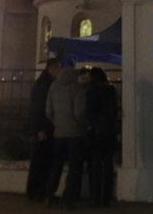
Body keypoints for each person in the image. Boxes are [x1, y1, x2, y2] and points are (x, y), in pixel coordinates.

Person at [45, 63, 89, 207]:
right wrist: (82, 125)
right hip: (75, 134)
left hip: (59, 133)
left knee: (56, 165)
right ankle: (68, 198)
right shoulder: (77, 89)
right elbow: (79, 113)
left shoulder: (53, 87)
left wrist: (57, 123)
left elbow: (48, 111)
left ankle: (49, 195)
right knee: (74, 167)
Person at [27, 58, 62, 202]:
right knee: (42, 161)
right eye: (58, 68)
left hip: (44, 127)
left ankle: (36, 191)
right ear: (51, 68)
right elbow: (39, 108)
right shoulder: (45, 85)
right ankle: (37, 191)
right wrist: (40, 129)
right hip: (44, 128)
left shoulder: (43, 83)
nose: (59, 71)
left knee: (41, 160)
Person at [84, 67, 117, 206]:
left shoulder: (91, 91)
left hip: (96, 132)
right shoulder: (111, 90)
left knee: (96, 165)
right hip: (109, 131)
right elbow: (114, 111)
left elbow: (89, 111)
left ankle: (95, 197)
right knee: (108, 164)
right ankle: (106, 197)